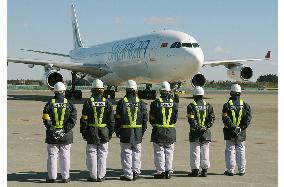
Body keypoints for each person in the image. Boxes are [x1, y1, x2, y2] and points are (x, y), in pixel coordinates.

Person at [42, 82, 77, 183]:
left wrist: (53, 129)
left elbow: (45, 119)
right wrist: (63, 130)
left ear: (54, 91)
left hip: (52, 135)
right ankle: (65, 177)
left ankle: (52, 177)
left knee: (52, 155)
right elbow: (73, 120)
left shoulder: (49, 104)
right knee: (65, 155)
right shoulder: (70, 104)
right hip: (66, 135)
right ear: (64, 92)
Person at [80, 79, 114, 182]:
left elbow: (84, 119)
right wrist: (110, 132)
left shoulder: (88, 102)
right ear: (102, 90)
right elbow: (111, 121)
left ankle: (93, 175)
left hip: (91, 130)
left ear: (92, 90)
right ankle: (101, 175)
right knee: (103, 153)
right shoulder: (107, 103)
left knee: (91, 153)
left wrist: (84, 132)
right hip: (104, 130)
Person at [115, 80, 148, 181]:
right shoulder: (141, 103)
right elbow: (145, 119)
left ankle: (128, 174)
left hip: (125, 132)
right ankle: (136, 172)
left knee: (126, 153)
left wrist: (117, 131)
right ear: (135, 90)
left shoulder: (121, 102)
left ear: (126, 90)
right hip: (138, 132)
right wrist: (142, 131)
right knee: (137, 153)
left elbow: (117, 118)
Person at [149, 81, 178, 179]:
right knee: (169, 151)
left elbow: (151, 118)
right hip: (170, 130)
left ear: (160, 91)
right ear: (169, 91)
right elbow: (175, 119)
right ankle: (168, 171)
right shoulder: (174, 103)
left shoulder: (155, 103)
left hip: (158, 130)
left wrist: (156, 125)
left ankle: (161, 171)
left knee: (159, 151)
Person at [222, 83, 251, 176]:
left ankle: (230, 170)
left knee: (230, 150)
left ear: (231, 93)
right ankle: (242, 170)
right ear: (240, 93)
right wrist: (241, 128)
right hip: (241, 132)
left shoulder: (227, 105)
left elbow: (225, 119)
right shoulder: (245, 105)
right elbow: (248, 119)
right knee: (241, 150)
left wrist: (233, 127)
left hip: (230, 131)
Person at [187, 86, 215, 177]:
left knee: (195, 152)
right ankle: (204, 170)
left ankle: (195, 170)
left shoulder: (191, 106)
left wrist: (198, 127)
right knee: (205, 152)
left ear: (194, 95)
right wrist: (205, 127)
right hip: (206, 133)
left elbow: (191, 120)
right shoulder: (208, 105)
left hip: (195, 132)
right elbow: (212, 118)